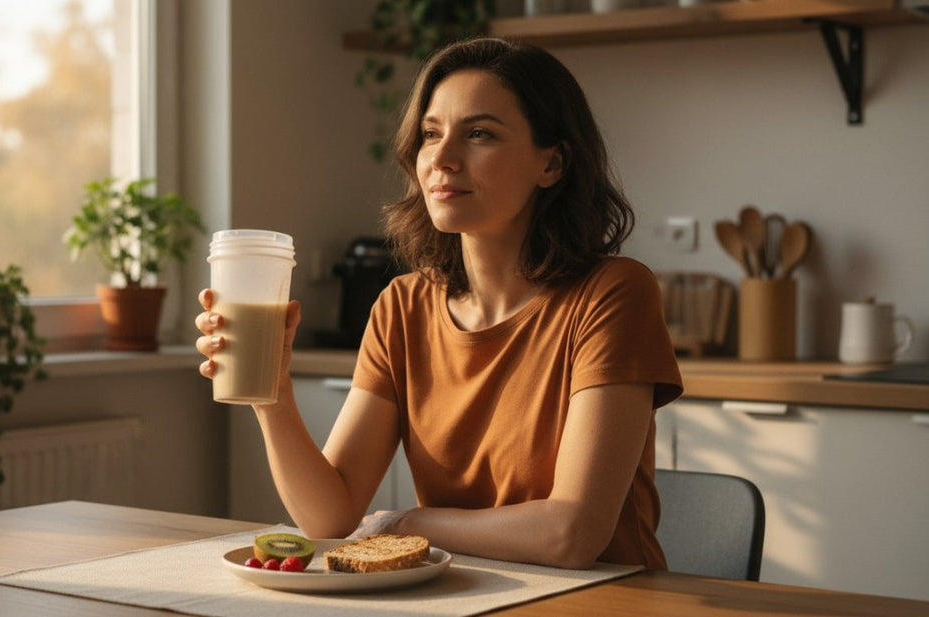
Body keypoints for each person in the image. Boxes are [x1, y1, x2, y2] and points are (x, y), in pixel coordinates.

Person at [195, 37, 682, 570]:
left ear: (552, 163)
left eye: (479, 134)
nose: (442, 159)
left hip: (605, 598)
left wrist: (407, 523)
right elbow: (329, 516)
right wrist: (272, 393)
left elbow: (572, 535)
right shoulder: (403, 306)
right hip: (464, 595)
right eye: (431, 134)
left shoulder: (613, 294)